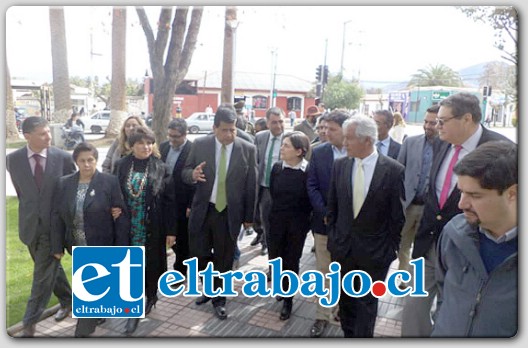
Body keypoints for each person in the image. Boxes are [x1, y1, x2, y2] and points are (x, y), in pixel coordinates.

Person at [401, 92, 512, 337]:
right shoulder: (440, 143)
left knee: (452, 311)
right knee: (412, 308)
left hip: (470, 251)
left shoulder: (502, 150)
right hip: (428, 243)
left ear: (466, 119)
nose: (435, 127)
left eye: (442, 121)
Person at [326, 115, 405, 338]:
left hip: (374, 254)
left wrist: (389, 251)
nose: (344, 143)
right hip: (343, 250)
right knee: (346, 303)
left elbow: (396, 217)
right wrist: (334, 239)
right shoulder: (340, 165)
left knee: (367, 306)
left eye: (349, 138)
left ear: (368, 140)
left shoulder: (393, 171)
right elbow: (332, 209)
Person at [433, 141, 517, 337]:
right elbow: (444, 295)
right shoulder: (453, 234)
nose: (462, 204)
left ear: (512, 193)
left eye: (475, 195)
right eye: (461, 191)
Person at [182, 103, 257, 320]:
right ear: (215, 128)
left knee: (224, 258)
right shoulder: (200, 144)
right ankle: (209, 288)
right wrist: (192, 175)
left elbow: (251, 185)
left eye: (233, 129)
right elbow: (185, 171)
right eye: (224, 129)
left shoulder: (247, 148)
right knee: (200, 254)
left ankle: (220, 299)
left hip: (229, 213)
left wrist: (249, 218)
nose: (229, 134)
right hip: (204, 210)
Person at [50, 142, 130, 337]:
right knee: (89, 281)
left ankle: (83, 330)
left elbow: (120, 213)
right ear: (76, 162)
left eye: (91, 160)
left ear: (96, 160)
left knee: (93, 283)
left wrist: (121, 246)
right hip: (77, 243)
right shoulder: (64, 183)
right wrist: (57, 245)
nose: (87, 165)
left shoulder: (109, 182)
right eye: (82, 161)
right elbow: (57, 216)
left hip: (101, 240)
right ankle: (97, 312)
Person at [6, 117, 76, 337]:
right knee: (50, 269)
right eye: (43, 133)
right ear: (27, 136)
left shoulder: (63, 158)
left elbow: (72, 191)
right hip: (30, 227)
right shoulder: (12, 160)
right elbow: (22, 193)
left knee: (41, 276)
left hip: (54, 227)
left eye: (49, 132)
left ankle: (29, 322)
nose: (49, 137)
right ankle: (67, 299)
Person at [114, 126, 176, 335]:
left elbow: (170, 202)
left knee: (151, 263)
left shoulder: (161, 167)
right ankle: (133, 305)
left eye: (149, 143)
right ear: (131, 146)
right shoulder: (122, 165)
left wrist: (171, 231)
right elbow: (114, 191)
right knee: (130, 265)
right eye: (141, 143)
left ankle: (150, 296)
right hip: (127, 224)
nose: (146, 147)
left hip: (152, 225)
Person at [306, 110, 349, 337]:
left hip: (350, 228)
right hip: (323, 225)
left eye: (332, 129)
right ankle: (322, 315)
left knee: (346, 270)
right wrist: (324, 212)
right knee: (324, 271)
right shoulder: (319, 152)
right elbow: (311, 185)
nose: (326, 133)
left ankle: (342, 309)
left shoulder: (356, 152)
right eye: (325, 128)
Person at [395, 105, 441, 287]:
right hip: (409, 204)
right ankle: (404, 278)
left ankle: (418, 278)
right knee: (403, 244)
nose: (428, 126)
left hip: (431, 208)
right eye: (426, 122)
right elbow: (399, 170)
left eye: (433, 123)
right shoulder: (410, 142)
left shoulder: (448, 147)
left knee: (423, 246)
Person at [268, 131, 312, 321]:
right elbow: (272, 192)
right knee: (275, 258)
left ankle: (288, 299)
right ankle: (280, 288)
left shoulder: (308, 171)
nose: (282, 149)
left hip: (297, 224)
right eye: (282, 145)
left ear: (299, 151)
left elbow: (309, 201)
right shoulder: (277, 168)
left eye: (286, 146)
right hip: (276, 221)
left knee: (291, 261)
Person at [159, 119, 194, 279]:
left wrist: (191, 204)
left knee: (181, 240)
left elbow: (197, 180)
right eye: (170, 135)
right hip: (164, 201)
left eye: (176, 136)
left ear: (185, 134)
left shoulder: (193, 150)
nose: (172, 139)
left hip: (183, 202)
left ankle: (180, 271)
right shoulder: (164, 147)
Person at [250, 107, 285, 257]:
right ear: (267, 123)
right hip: (265, 187)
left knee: (280, 226)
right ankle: (267, 244)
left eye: (281, 122)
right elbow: (256, 161)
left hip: (283, 190)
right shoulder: (260, 137)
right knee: (265, 221)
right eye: (274, 122)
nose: (278, 126)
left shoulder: (292, 138)